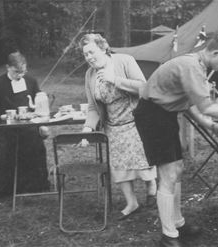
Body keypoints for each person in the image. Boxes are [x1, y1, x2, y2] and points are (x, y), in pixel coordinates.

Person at [133, 31, 218, 247]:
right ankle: (168, 236)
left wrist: (212, 125)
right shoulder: (192, 66)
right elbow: (207, 107)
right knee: (168, 174)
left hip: (164, 113)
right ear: (215, 52)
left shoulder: (197, 65)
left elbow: (189, 103)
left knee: (177, 169)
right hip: (152, 114)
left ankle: (177, 223)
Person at [78, 33, 157, 220]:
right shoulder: (90, 75)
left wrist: (115, 79)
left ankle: (152, 188)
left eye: (91, 52)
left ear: (103, 48)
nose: (88, 57)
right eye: (85, 55)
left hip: (136, 121)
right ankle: (132, 203)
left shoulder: (124, 61)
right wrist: (87, 129)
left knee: (143, 161)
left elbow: (144, 88)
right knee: (119, 167)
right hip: (113, 126)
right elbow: (92, 107)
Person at [0, 51, 49, 198]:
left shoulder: (31, 81)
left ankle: (36, 186)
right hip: (5, 126)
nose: (20, 75)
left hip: (28, 125)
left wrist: (41, 120)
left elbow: (39, 100)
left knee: (36, 144)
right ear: (8, 67)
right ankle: (7, 190)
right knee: (8, 149)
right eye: (16, 72)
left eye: (23, 71)